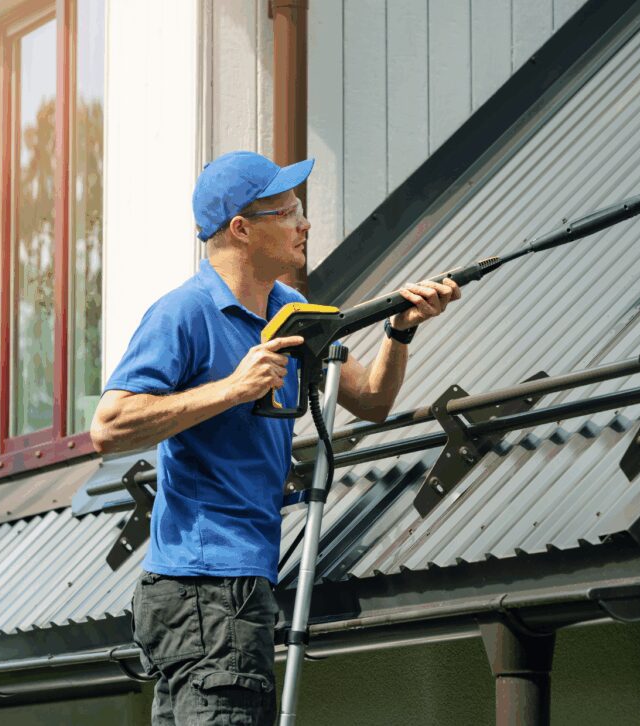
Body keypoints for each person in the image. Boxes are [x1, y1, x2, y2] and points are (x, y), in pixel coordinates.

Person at [89, 151, 461, 724]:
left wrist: (399, 332)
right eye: (288, 212)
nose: (304, 224)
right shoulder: (183, 314)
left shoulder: (293, 312)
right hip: (204, 586)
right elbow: (109, 427)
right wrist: (234, 388)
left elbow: (372, 400)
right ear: (241, 229)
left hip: (232, 586)